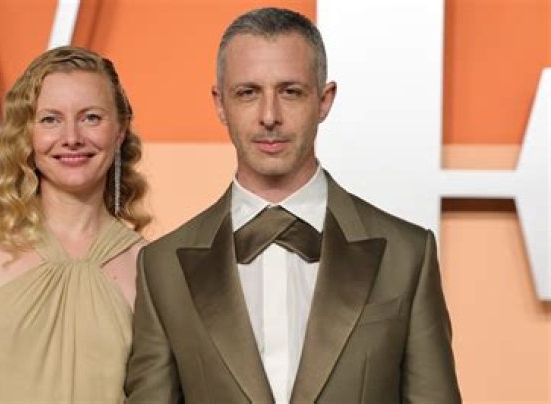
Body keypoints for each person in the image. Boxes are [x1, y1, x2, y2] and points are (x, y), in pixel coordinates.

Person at [125, 7, 461, 403]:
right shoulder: (163, 269)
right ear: (220, 104)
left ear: (324, 100)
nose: (269, 116)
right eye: (248, 93)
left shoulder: (407, 255)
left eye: (290, 92)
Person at [0, 46, 149, 403]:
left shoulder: (146, 264)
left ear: (120, 130)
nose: (72, 137)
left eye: (91, 118)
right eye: (50, 119)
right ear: (27, 133)